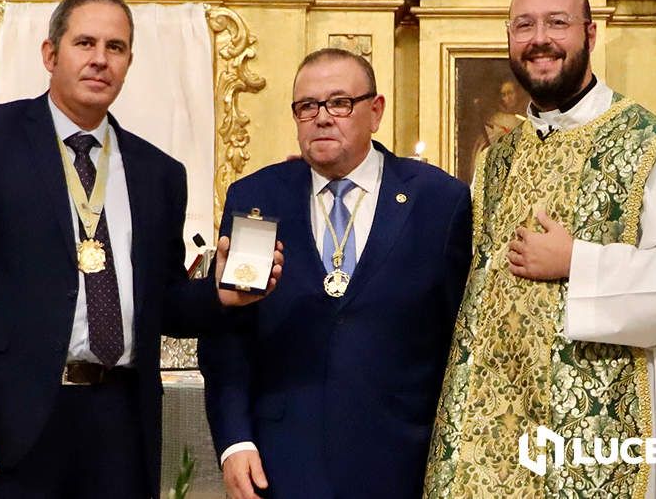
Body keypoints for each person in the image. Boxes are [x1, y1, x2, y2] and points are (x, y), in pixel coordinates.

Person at [0, 0, 281, 498]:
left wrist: (220, 293)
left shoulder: (159, 173)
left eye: (116, 47)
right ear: (50, 53)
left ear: (129, 62)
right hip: (9, 423)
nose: (100, 60)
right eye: (85, 43)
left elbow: (163, 303)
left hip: (120, 423)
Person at [424, 0, 656, 499]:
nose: (540, 39)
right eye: (524, 25)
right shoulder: (496, 160)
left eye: (558, 23)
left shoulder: (652, 148)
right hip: (503, 439)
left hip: (617, 419)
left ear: (590, 35)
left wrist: (580, 261)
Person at [198, 48, 472, 499]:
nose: (322, 118)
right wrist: (234, 441)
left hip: (402, 462)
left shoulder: (439, 202)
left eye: (340, 102)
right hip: (280, 462)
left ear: (376, 111)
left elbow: (460, 342)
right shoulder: (258, 198)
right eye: (307, 106)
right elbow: (228, 336)